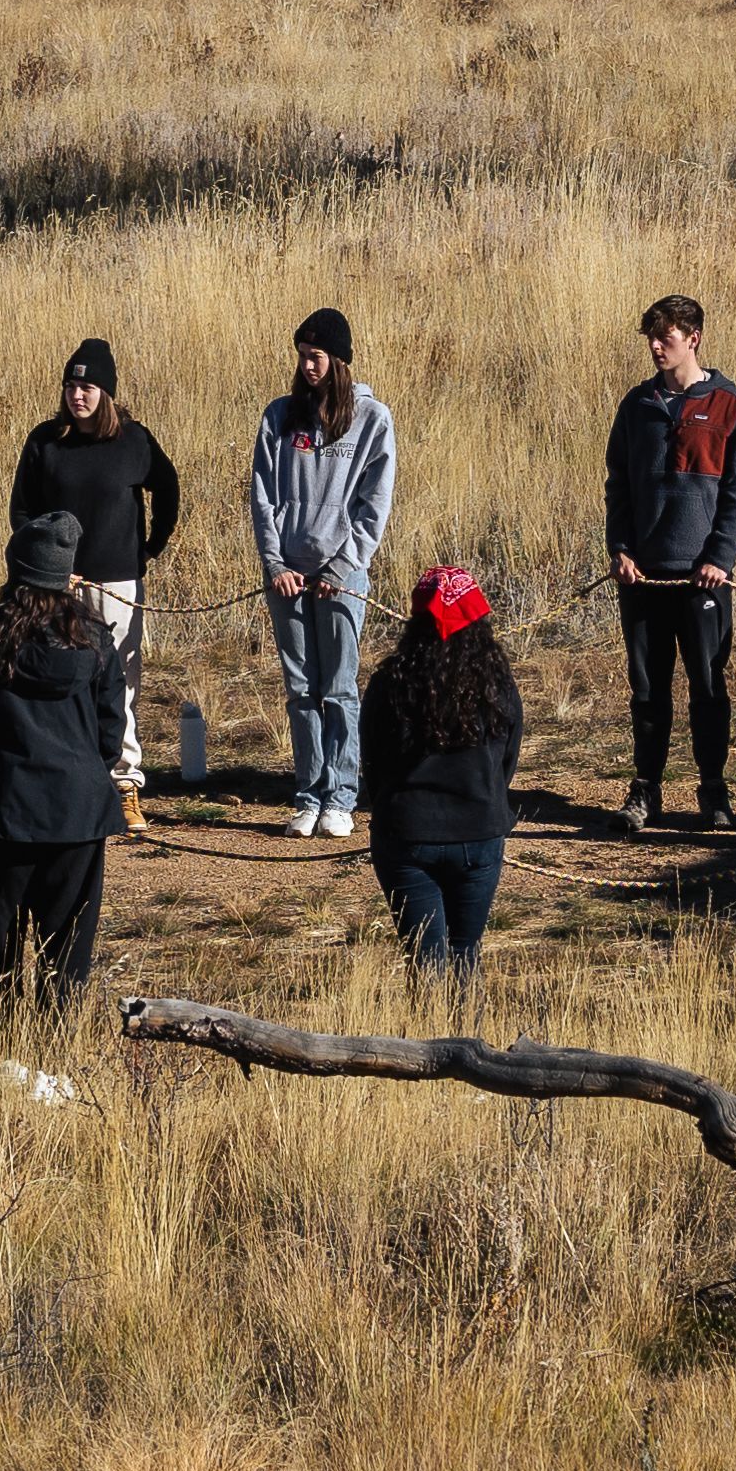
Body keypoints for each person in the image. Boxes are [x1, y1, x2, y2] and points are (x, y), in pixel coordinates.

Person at [0, 512, 126, 1000]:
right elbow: (112, 732)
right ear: (67, 574)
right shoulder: (96, 638)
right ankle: (55, 1059)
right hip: (79, 810)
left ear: (15, 567)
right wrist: (84, 774)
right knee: (66, 952)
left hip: (0, 805)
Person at [8, 338, 180, 828]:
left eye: (86, 387)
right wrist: (46, 569)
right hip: (55, 586)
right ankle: (67, 782)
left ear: (105, 392)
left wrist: (151, 548)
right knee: (58, 679)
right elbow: (22, 510)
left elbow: (168, 490)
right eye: (70, 386)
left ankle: (124, 784)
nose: (76, 395)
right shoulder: (45, 440)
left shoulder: (133, 440)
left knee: (119, 682)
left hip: (118, 583)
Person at [605, 294, 736, 832]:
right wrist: (620, 547)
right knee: (647, 690)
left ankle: (713, 791)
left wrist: (720, 556)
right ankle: (645, 790)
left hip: (703, 581)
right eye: (651, 336)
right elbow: (618, 485)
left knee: (708, 685)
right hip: (643, 577)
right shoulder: (636, 406)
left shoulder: (728, 405)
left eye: (665, 337)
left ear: (692, 338)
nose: (654, 346)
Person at [249, 308, 399, 838]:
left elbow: (374, 503)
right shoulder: (279, 417)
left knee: (338, 688)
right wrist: (275, 563)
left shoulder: (371, 418)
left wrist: (343, 563)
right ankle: (308, 794)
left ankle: (341, 796)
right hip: (287, 577)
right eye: (302, 357)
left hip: (343, 577)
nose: (307, 366)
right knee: (300, 688)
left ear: (337, 359)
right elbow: (262, 496)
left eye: (316, 357)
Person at [359, 565, 521, 976]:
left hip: (406, 834)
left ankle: (425, 1037)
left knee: (424, 962)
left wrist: (391, 809)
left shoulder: (390, 680)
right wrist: (486, 801)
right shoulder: (497, 682)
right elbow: (508, 761)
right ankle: (469, 1038)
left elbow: (372, 763)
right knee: (466, 953)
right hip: (480, 832)